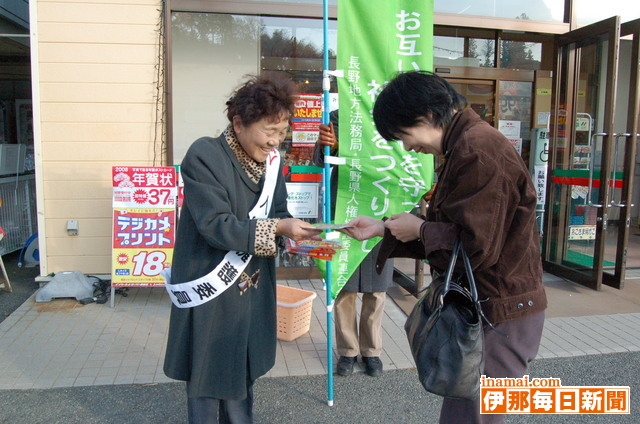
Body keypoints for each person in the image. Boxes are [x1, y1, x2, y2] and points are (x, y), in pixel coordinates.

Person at [339, 71, 547, 424]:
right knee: (467, 412)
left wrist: (420, 228)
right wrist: (383, 228)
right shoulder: (464, 145)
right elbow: (458, 231)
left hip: (496, 310)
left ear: (429, 115)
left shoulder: (478, 149)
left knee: (474, 415)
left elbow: (477, 246)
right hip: (488, 307)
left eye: (404, 135)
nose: (406, 147)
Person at [163, 72, 321, 424]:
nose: (275, 143)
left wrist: (299, 232)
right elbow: (215, 225)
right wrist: (279, 228)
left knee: (241, 370)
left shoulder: (272, 164)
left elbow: (279, 212)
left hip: (251, 283)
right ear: (238, 123)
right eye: (269, 131)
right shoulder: (205, 154)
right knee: (207, 371)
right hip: (210, 280)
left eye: (282, 133)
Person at [313, 110, 393, 377]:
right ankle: (348, 351)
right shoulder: (337, 116)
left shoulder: (392, 116)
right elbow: (319, 160)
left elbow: (404, 158)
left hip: (382, 208)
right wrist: (331, 145)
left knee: (376, 290)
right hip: (345, 209)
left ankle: (372, 351)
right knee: (344, 287)